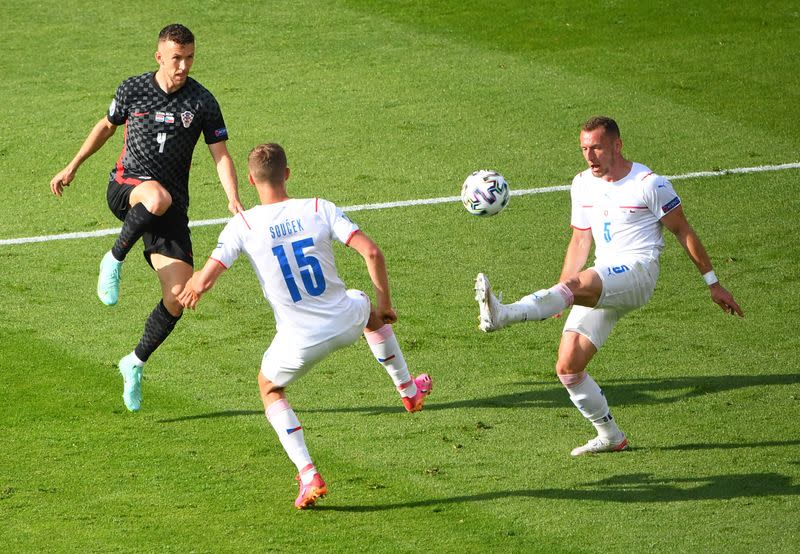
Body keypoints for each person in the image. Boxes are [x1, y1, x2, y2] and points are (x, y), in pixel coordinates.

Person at [177, 143, 432, 509]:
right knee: (366, 306)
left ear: (250, 180)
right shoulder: (318, 207)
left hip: (298, 343)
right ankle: (409, 391)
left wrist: (192, 291)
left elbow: (205, 279)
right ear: (288, 173)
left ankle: (308, 473)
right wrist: (386, 305)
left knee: (269, 387)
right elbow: (372, 252)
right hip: (345, 319)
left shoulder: (243, 225)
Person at [475, 116, 743, 456]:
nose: (590, 156)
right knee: (568, 366)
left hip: (638, 273)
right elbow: (579, 240)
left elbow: (683, 231)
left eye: (597, 147)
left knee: (579, 282)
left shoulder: (650, 184)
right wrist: (560, 293)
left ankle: (504, 314)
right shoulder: (582, 183)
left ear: (617, 145)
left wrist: (713, 284)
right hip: (604, 276)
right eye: (585, 149)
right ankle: (611, 436)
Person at [49, 24, 242, 412]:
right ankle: (113, 259)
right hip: (128, 189)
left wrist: (233, 198)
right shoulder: (132, 89)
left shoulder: (202, 102)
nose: (183, 65)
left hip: (170, 209)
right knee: (155, 194)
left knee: (179, 296)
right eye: (176, 58)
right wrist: (72, 167)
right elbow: (105, 127)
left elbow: (220, 153)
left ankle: (134, 362)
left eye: (189, 57)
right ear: (159, 57)